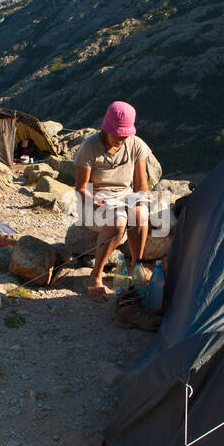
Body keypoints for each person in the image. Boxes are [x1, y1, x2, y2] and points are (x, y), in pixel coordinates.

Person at [73, 101, 153, 300]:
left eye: (124, 134)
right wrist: (93, 201)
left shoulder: (136, 145)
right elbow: (81, 189)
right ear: (105, 128)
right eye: (116, 133)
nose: (120, 138)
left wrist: (144, 197)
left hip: (124, 196)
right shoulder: (90, 147)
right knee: (118, 221)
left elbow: (141, 186)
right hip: (95, 200)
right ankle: (95, 275)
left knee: (140, 212)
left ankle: (137, 266)